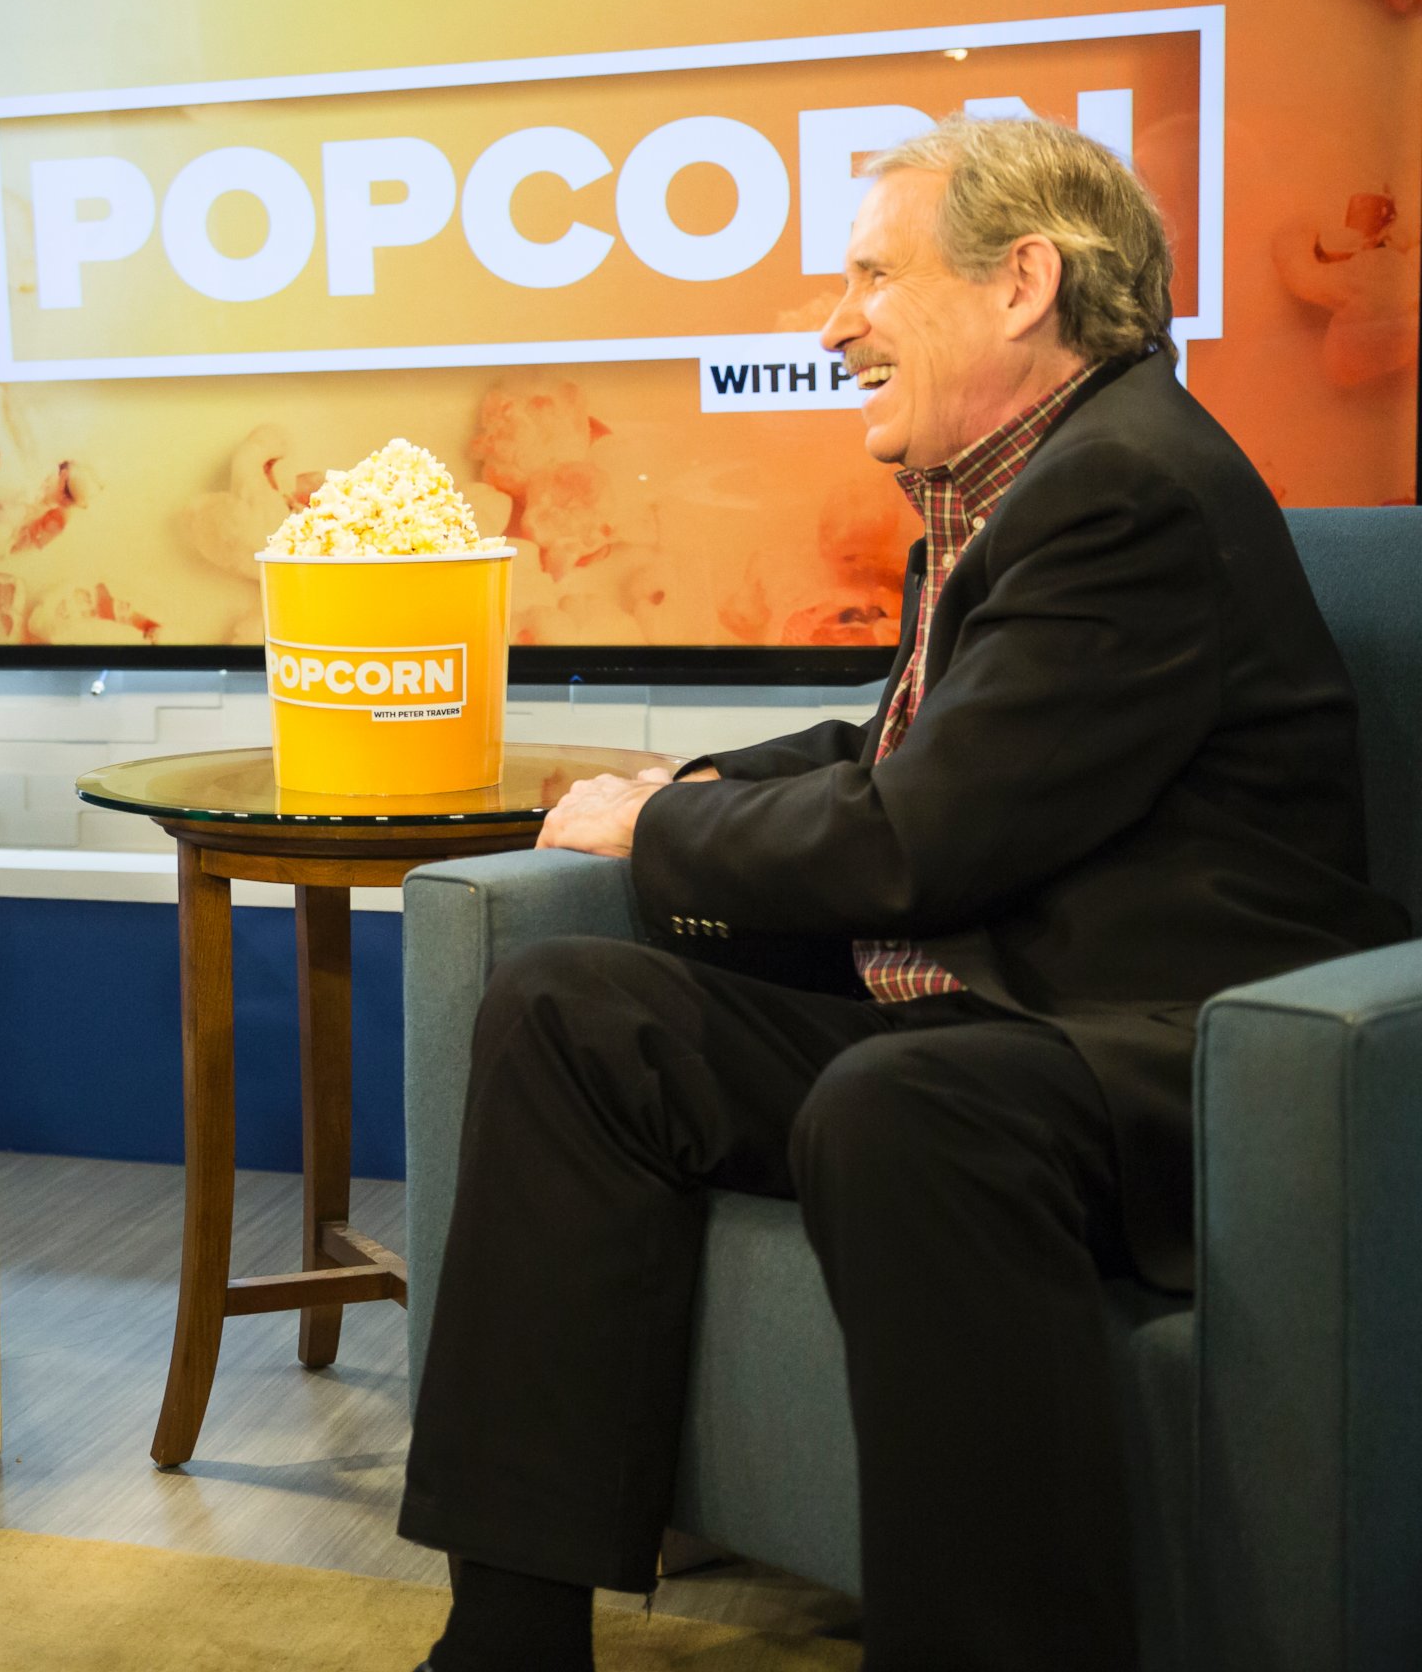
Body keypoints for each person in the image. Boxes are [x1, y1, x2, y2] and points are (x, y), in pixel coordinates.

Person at [397, 116, 1409, 1672]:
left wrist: (658, 831)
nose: (834, 323)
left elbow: (920, 839)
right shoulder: (1015, 485)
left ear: (1023, 284)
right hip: (985, 1011)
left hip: (1153, 1047)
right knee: (570, 1012)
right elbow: (903, 749)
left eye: (872, 275)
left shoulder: (1128, 489)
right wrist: (690, 787)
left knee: (903, 1108)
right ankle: (507, 1646)